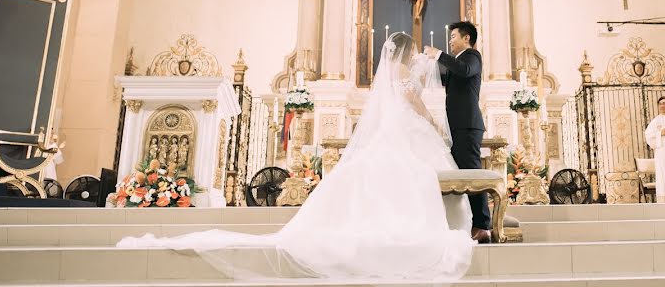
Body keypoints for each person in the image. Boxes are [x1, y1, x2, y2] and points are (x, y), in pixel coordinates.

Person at [118, 32, 474, 282]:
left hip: (388, 134)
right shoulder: (407, 72)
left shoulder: (386, 74)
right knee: (417, 174)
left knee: (382, 175)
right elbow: (414, 103)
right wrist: (431, 123)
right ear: (407, 51)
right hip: (408, 131)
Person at [424, 21, 491, 243]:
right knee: (462, 175)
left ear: (466, 38)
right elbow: (451, 78)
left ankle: (482, 225)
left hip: (468, 125)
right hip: (458, 127)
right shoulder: (459, 62)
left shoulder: (472, 56)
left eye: (454, 36)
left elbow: (464, 71)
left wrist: (439, 55)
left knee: (472, 174)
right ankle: (470, 221)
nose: (450, 40)